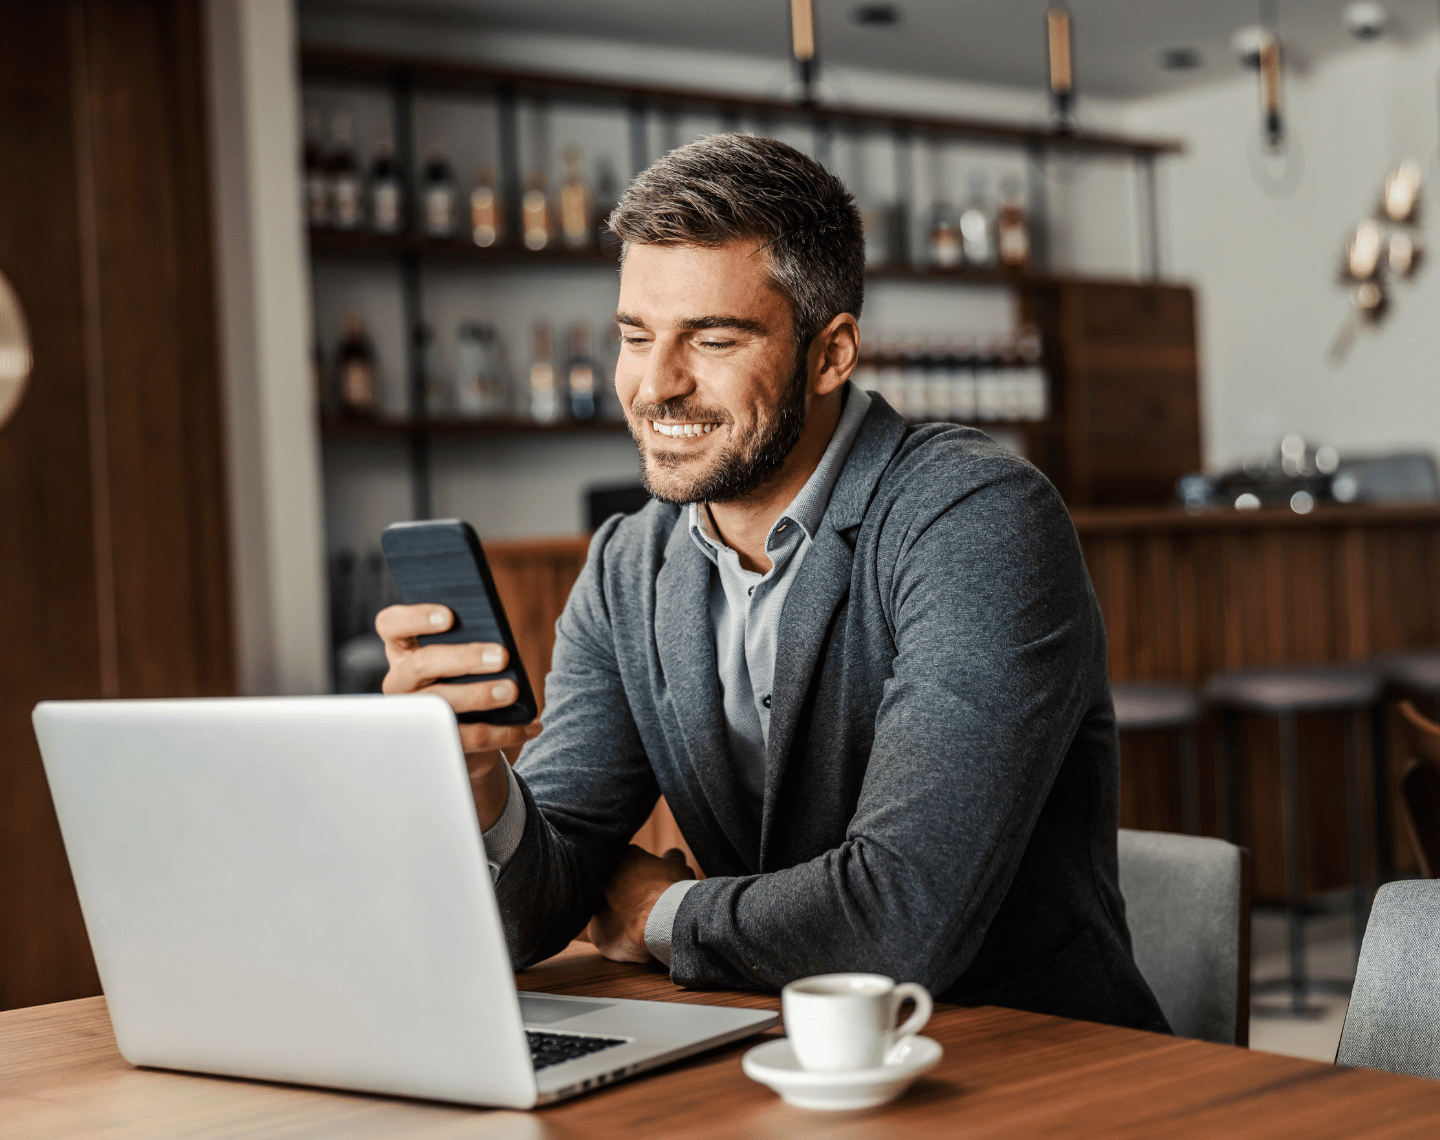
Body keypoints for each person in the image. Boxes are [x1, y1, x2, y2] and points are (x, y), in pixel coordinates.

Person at [379, 133, 1168, 1032]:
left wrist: (659, 915)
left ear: (831, 354)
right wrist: (479, 777)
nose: (654, 386)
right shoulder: (627, 565)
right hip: (776, 1054)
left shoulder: (976, 518)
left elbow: (900, 920)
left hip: (1037, 1064)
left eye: (711, 338)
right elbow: (544, 892)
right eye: (636, 337)